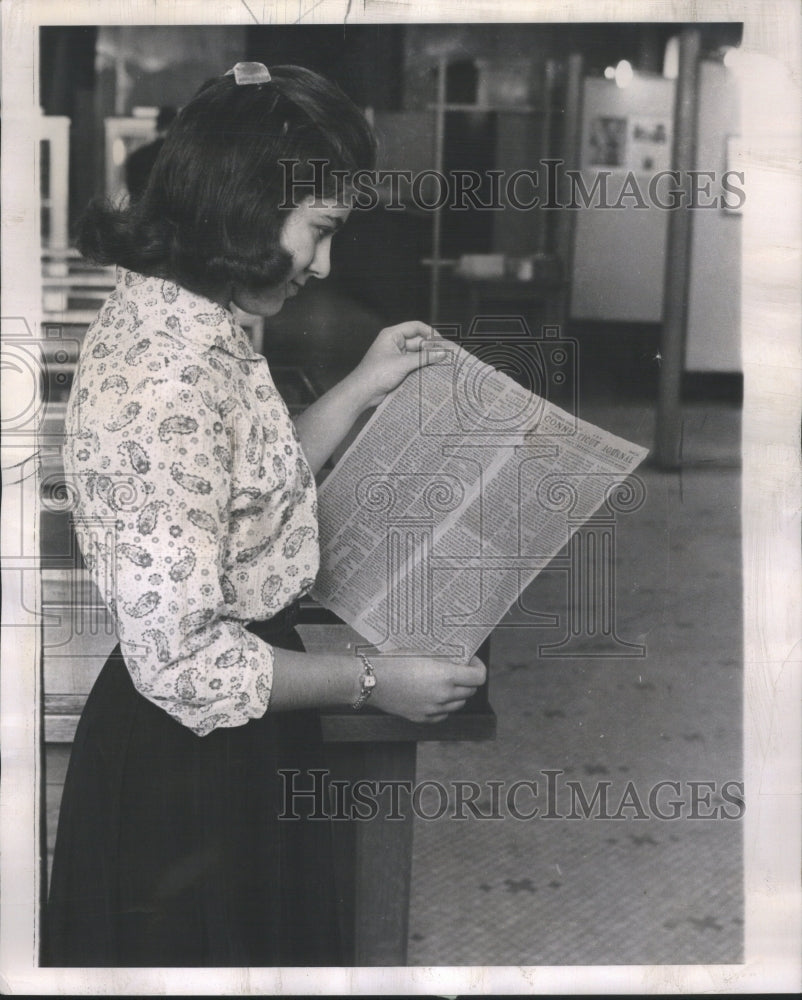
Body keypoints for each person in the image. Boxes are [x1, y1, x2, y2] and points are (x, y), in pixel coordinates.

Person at [44, 62, 486, 968]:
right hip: (187, 767)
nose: (325, 266)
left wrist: (364, 382)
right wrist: (378, 681)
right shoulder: (164, 372)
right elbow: (185, 659)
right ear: (243, 206)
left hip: (234, 741)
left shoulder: (193, 320)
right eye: (318, 232)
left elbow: (247, 478)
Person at [123, 105, 177, 201]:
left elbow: (133, 192)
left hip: (141, 212)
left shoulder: (137, 156)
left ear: (157, 127)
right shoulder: (179, 158)